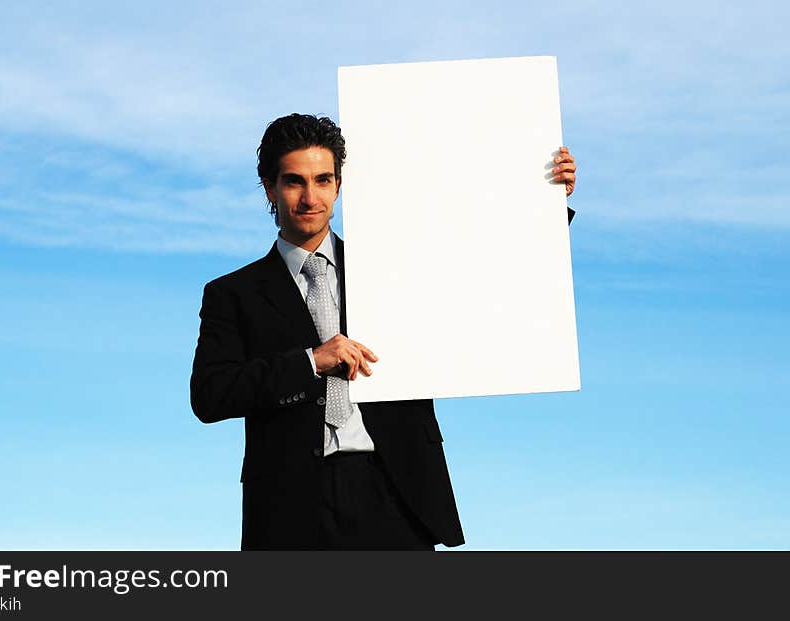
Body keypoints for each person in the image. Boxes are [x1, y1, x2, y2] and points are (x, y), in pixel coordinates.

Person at [190, 113, 577, 550]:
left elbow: (486, 278)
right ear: (270, 189)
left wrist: (545, 201)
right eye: (294, 181)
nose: (309, 197)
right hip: (291, 504)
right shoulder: (232, 293)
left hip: (396, 491)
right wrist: (310, 362)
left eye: (322, 180)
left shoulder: (393, 270)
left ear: (338, 185)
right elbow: (210, 395)